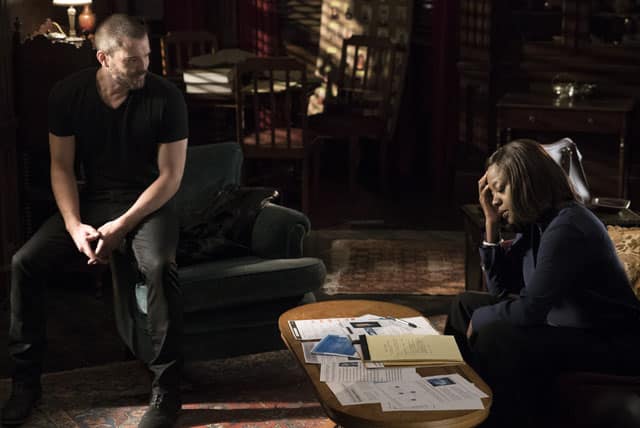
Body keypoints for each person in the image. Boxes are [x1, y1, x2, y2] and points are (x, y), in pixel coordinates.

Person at [3, 14, 188, 428]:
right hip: (94, 201)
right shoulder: (67, 93)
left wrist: (121, 227)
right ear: (104, 58)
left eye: (147, 56)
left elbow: (171, 177)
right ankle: (25, 384)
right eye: (133, 60)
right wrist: (74, 226)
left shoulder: (167, 97)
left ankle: (168, 390)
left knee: (160, 266)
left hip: (149, 203)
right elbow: (61, 167)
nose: (144, 66)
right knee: (24, 262)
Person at [445, 139, 640, 427]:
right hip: (565, 325)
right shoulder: (538, 223)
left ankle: (495, 419)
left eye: (500, 189)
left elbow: (530, 310)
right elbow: (502, 292)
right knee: (464, 305)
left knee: (495, 334)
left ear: (527, 183)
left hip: (609, 340)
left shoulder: (568, 226)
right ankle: (453, 400)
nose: (494, 200)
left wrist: (484, 318)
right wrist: (491, 224)